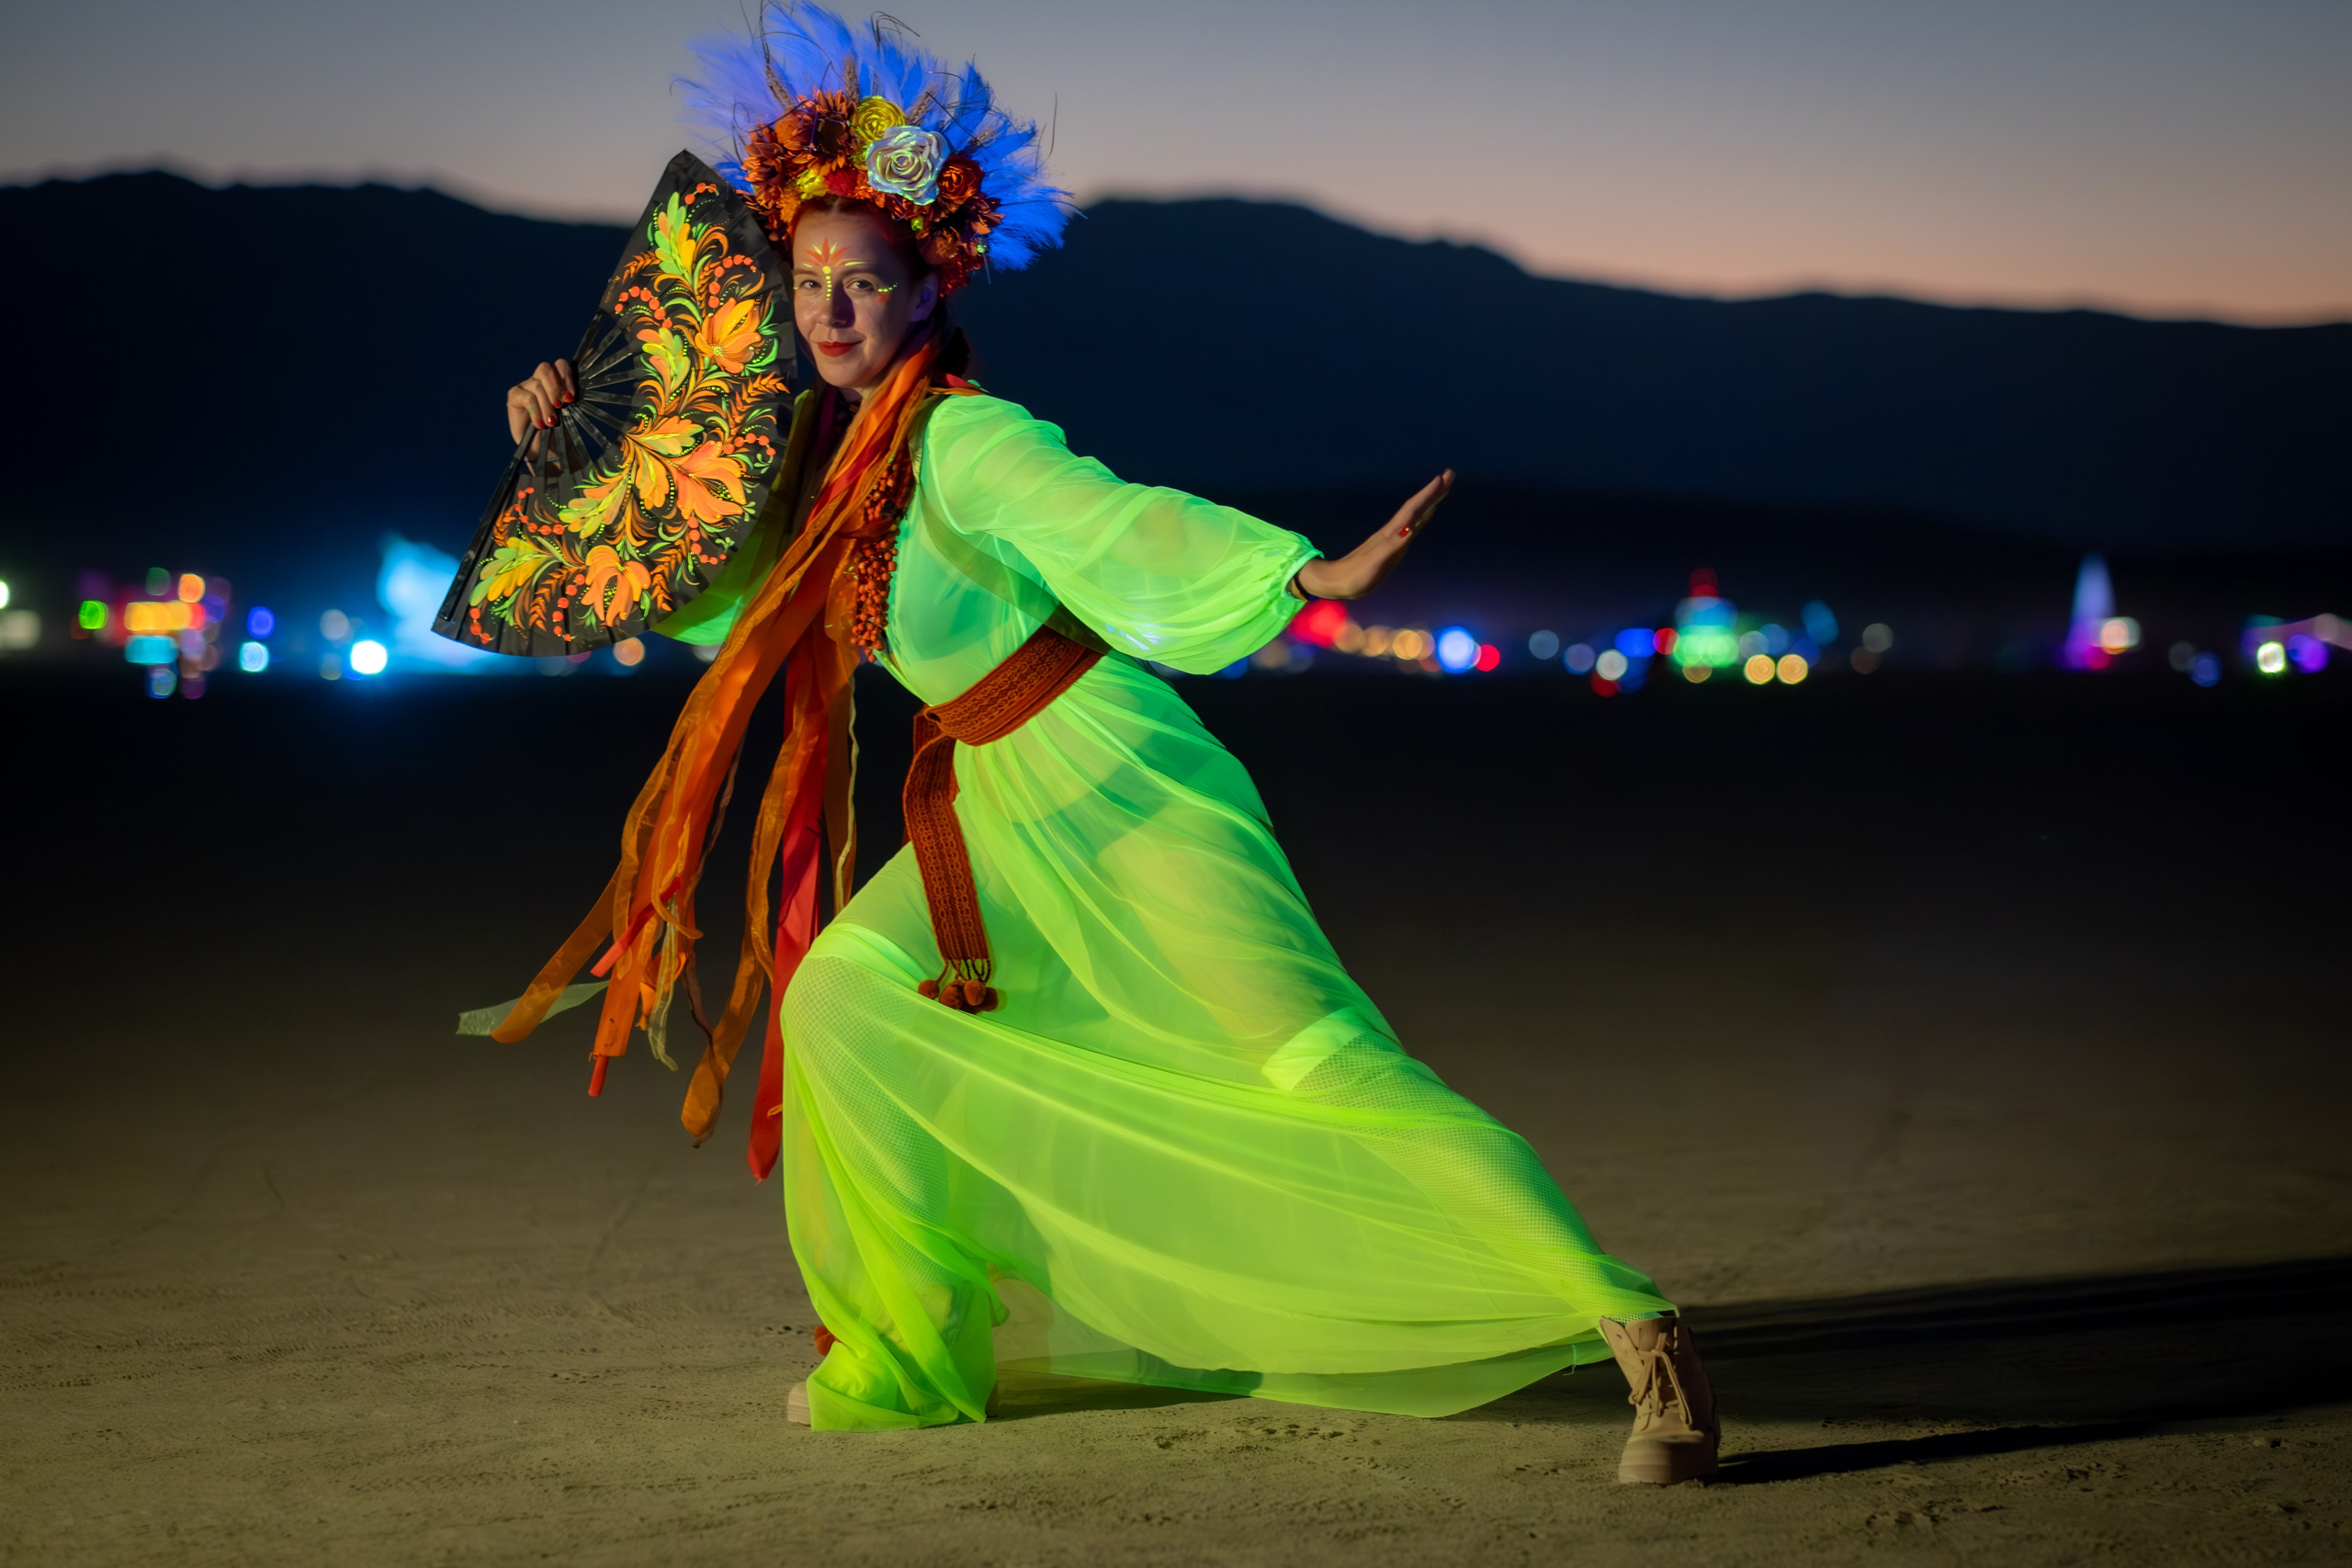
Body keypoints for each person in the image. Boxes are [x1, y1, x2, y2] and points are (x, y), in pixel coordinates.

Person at [493, 1, 1718, 1483]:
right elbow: (720, 603)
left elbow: (1110, 518)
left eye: (863, 284)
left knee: (1316, 1060)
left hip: (1122, 782)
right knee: (840, 1007)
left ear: (925, 296)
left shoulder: (963, 440)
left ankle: (1635, 1326)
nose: (829, 311)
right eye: (809, 280)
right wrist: (577, 447)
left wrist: (1295, 577)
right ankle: (909, 1352)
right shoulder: (823, 466)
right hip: (990, 807)